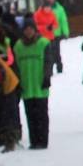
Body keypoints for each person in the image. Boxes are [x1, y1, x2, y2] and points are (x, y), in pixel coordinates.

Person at [13, 18, 54, 149]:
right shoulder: (18, 46)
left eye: (30, 29)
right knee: (30, 115)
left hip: (40, 85)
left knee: (42, 115)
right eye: (26, 29)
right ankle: (34, 141)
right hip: (26, 86)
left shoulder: (43, 43)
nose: (28, 32)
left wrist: (47, 77)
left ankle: (43, 141)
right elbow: (15, 66)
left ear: (34, 29)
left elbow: (48, 62)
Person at [45, 0, 70, 73]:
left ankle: (59, 67)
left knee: (56, 52)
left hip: (56, 34)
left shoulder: (59, 9)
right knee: (48, 53)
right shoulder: (44, 8)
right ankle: (50, 69)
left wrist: (65, 32)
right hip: (47, 34)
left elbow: (63, 21)